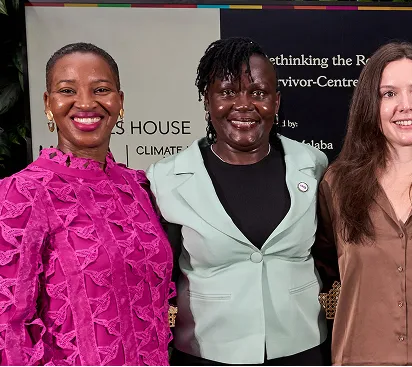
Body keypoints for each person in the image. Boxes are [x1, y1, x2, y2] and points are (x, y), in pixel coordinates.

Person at [146, 37, 328, 365]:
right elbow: (160, 278)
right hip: (207, 353)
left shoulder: (313, 164)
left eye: (258, 93)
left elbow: (330, 257)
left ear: (276, 101)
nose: (243, 105)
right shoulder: (166, 178)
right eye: (228, 92)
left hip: (301, 350)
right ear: (207, 100)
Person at [0, 42, 173, 365]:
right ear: (48, 103)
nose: (85, 102)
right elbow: (7, 327)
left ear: (119, 102)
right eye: (67, 90)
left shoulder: (137, 187)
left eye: (101, 89)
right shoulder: (21, 193)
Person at [312, 41, 412, 365]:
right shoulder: (337, 186)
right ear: (371, 106)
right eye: (389, 94)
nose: (405, 105)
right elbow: (325, 264)